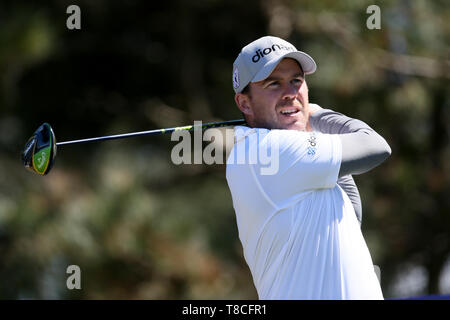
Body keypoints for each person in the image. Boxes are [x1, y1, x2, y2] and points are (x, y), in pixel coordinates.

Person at [226, 36, 391, 299]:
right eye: (273, 84)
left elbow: (351, 215)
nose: (290, 93)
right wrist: (318, 115)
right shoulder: (269, 152)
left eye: (296, 81)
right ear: (244, 103)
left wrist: (308, 124)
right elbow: (376, 146)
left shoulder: (290, 155)